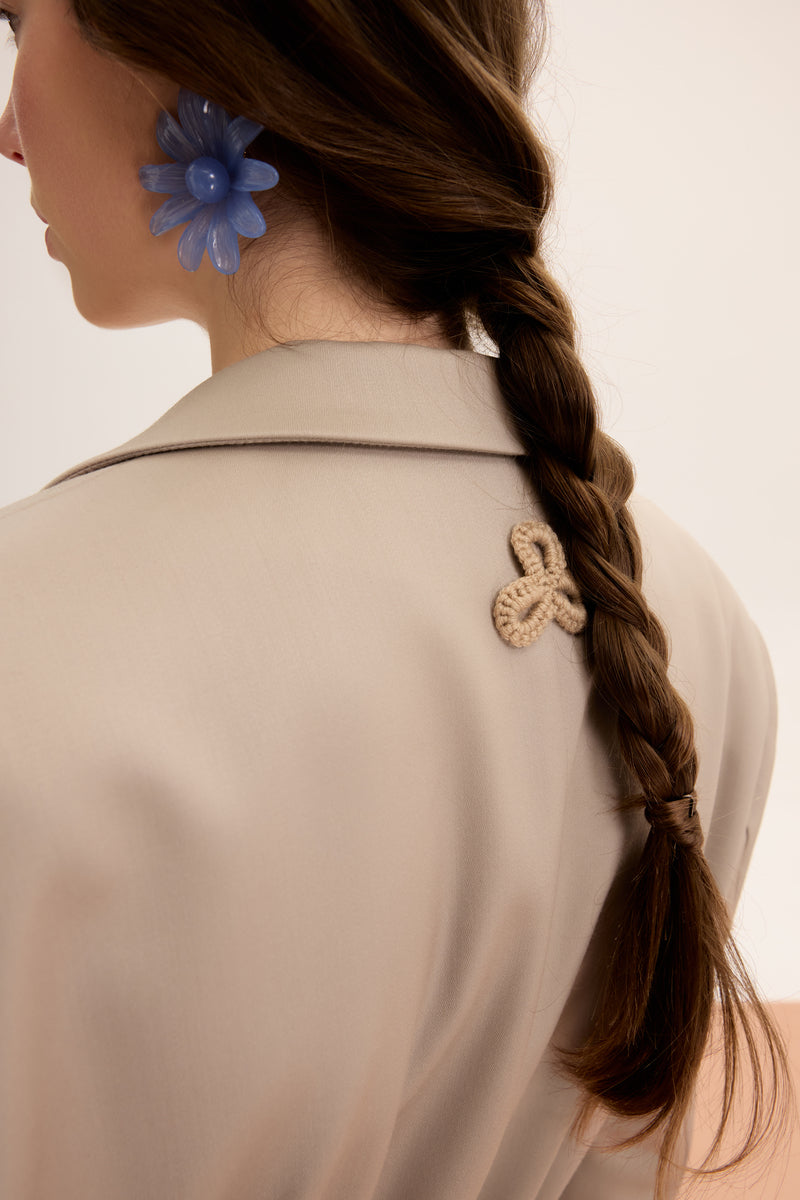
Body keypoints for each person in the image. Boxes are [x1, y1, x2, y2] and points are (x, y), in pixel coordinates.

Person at [0, 2, 791, 1198]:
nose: (9, 130)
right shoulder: (690, 616)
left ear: (195, 55)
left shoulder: (29, 631)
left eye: (19, 25)